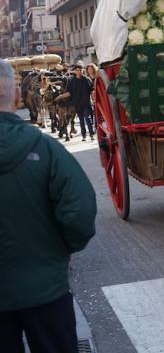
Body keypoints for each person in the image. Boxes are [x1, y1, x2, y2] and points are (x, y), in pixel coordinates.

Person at [0, 59, 97, 353]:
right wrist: (58, 254)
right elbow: (80, 214)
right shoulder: (47, 150)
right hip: (46, 292)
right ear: (19, 98)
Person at [65, 62, 94, 141]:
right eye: (77, 70)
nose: (79, 72)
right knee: (81, 121)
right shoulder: (72, 81)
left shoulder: (86, 79)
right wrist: (59, 97)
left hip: (86, 103)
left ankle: (91, 134)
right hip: (77, 104)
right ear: (75, 71)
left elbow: (92, 90)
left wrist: (94, 100)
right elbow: (68, 93)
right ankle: (84, 136)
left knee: (87, 118)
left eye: (80, 70)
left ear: (82, 70)